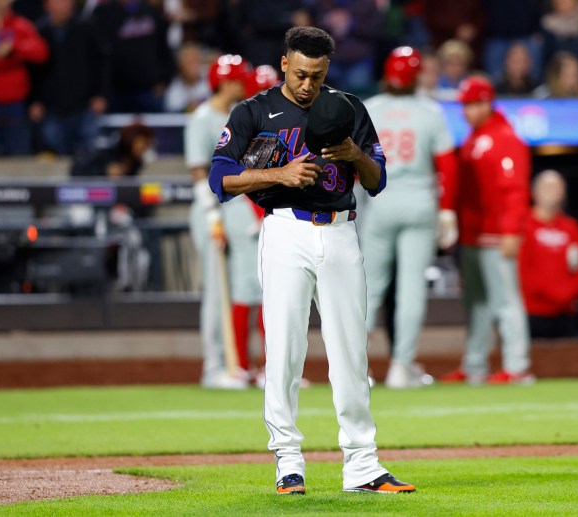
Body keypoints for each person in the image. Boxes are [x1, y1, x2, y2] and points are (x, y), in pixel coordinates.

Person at [209, 26, 414, 495]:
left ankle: (363, 465)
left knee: (350, 354)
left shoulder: (346, 107)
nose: (307, 84)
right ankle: (288, 462)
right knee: (283, 351)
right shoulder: (254, 110)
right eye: (300, 73)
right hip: (284, 229)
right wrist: (277, 173)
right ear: (284, 63)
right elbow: (219, 178)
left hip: (342, 231)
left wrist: (353, 153)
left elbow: (378, 179)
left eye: (317, 77)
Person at [361, 47, 457, 388]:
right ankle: (402, 367)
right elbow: (447, 165)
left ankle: (357, 368)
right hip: (419, 200)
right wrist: (448, 211)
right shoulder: (430, 112)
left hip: (380, 201)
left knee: (369, 289)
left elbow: (353, 161)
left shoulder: (370, 108)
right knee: (411, 287)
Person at [438, 77, 533, 385]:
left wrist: (511, 231)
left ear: (487, 103)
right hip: (473, 236)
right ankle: (475, 364)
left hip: (495, 235)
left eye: (471, 104)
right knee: (476, 304)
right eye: (464, 105)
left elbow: (514, 190)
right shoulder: (474, 139)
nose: (466, 111)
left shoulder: (504, 137)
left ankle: (517, 367)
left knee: (505, 302)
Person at [184, 54, 253, 389]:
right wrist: (212, 213)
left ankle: (233, 363)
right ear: (226, 82)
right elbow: (198, 170)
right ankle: (212, 367)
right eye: (239, 80)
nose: (243, 85)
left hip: (235, 209)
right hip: (211, 210)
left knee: (238, 287)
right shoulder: (202, 117)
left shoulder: (236, 115)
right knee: (215, 290)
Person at [29, 0, 109, 155]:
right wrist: (33, 101)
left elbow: (103, 63)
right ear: (47, 5)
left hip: (86, 107)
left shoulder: (88, 28)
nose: (64, 5)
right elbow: (31, 71)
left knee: (89, 158)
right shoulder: (38, 32)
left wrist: (102, 95)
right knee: (54, 161)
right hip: (51, 110)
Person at [519, 170, 578, 338]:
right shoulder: (523, 226)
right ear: (534, 192)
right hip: (531, 313)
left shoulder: (572, 228)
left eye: (557, 187)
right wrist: (550, 295)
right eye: (547, 187)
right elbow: (520, 269)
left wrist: (567, 295)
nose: (552, 192)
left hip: (566, 313)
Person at [0, 0, 48, 155]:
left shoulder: (19, 24)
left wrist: (14, 49)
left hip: (15, 104)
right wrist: (0, 59)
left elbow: (41, 52)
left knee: (18, 156)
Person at [90, 0, 174, 113]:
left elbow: (164, 49)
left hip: (149, 91)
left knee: (152, 129)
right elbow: (97, 55)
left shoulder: (151, 11)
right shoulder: (102, 13)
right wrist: (101, 92)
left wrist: (164, 80)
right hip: (115, 92)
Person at [164, 43, 210, 113]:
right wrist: (187, 109)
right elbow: (172, 110)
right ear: (181, 66)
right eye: (190, 63)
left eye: (197, 61)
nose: (195, 66)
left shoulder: (209, 78)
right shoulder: (174, 89)